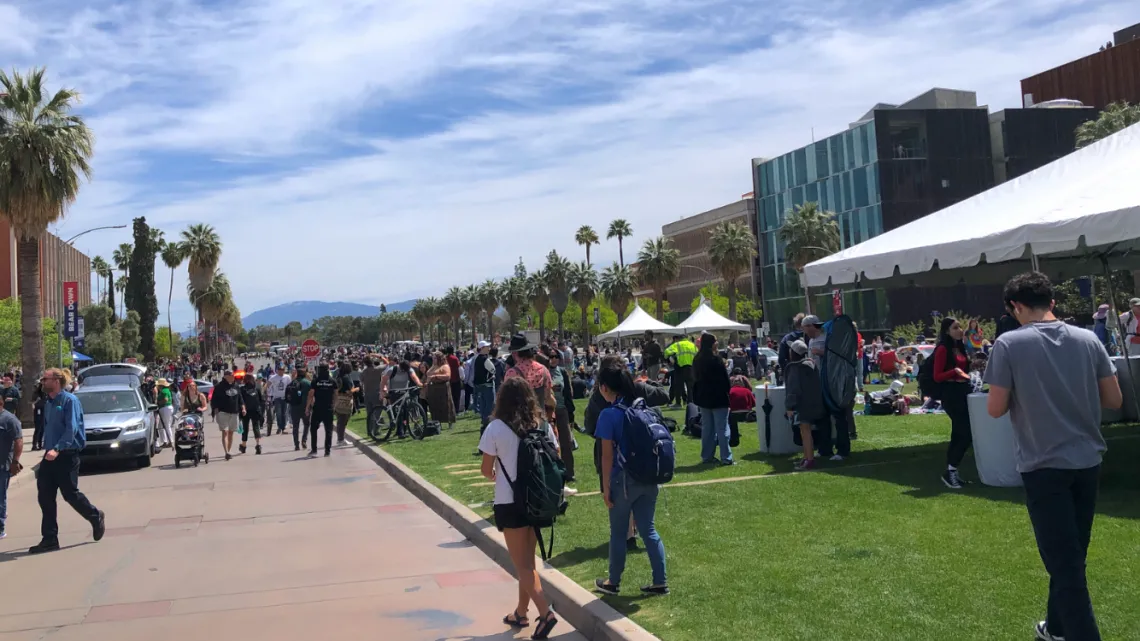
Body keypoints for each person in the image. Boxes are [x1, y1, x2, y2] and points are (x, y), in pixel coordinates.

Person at [984, 271, 1122, 641]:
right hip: (1087, 461)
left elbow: (995, 409)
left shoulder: (1009, 344)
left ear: (1015, 307)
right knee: (1071, 558)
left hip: (1044, 465)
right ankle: (1056, 628)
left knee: (1066, 566)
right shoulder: (1089, 339)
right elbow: (1114, 400)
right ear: (1053, 302)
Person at [477, 377, 560, 640]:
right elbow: (554, 454)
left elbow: (485, 470)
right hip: (536, 499)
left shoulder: (496, 427)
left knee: (521, 565)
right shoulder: (542, 425)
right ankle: (521, 612)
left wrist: (496, 473)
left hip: (509, 501)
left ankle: (545, 613)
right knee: (528, 561)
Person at [592, 362, 669, 597]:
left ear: (605, 388)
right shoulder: (644, 409)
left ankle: (613, 582)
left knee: (618, 532)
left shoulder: (609, 415)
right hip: (649, 476)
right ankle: (660, 581)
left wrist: (605, 487)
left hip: (623, 480)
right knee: (649, 530)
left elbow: (606, 456)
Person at [30, 368, 105, 554]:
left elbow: (71, 430)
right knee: (45, 496)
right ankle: (49, 539)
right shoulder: (48, 402)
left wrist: (58, 448)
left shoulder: (70, 401)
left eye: (45, 379)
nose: (42, 382)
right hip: (50, 455)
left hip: (66, 454)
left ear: (56, 380)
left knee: (70, 494)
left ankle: (95, 516)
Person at [801, 314, 851, 461]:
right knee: (822, 416)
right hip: (818, 381)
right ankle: (825, 449)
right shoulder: (811, 341)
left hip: (832, 381)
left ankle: (842, 451)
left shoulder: (827, 338)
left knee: (838, 415)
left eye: (805, 328)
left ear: (811, 326)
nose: (805, 331)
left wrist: (821, 353)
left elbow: (837, 356)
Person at [932, 317, 974, 489]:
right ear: (947, 331)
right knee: (964, 432)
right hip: (951, 394)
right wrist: (954, 371)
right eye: (955, 327)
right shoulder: (943, 349)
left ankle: (951, 470)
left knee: (960, 433)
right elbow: (937, 376)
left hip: (963, 391)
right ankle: (951, 470)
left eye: (960, 327)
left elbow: (965, 370)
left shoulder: (960, 347)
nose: (959, 330)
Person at [692, 332, 734, 465]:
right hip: (718, 398)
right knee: (722, 429)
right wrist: (728, 391)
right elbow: (725, 380)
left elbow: (695, 379)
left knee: (707, 429)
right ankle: (726, 457)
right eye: (715, 341)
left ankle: (707, 456)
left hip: (703, 398)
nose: (717, 343)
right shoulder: (716, 360)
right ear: (711, 343)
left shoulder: (697, 359)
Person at [784, 340, 825, 470]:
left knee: (805, 432)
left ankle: (809, 459)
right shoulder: (811, 365)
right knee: (806, 431)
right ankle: (806, 458)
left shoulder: (795, 368)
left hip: (802, 404)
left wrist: (790, 406)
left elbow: (793, 389)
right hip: (813, 402)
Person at [545, 348, 577, 486]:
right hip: (547, 412)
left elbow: (568, 393)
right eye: (551, 356)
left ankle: (569, 472)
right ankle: (552, 473)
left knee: (566, 442)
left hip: (561, 409)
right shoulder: (543, 371)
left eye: (556, 356)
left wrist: (571, 412)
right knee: (549, 443)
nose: (553, 359)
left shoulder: (562, 372)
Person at [0, 400, 24, 540]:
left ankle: (1, 528)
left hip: (3, 465)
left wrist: (15, 461)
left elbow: (19, 440)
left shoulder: (9, 419)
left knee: (0, 497)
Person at [210, 370, 245, 461]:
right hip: (223, 412)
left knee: (231, 432)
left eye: (233, 375)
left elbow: (240, 398)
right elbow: (214, 400)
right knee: (225, 432)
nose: (233, 377)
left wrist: (243, 408)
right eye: (231, 375)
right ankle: (226, 452)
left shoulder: (236, 386)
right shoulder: (219, 387)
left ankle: (228, 450)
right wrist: (216, 410)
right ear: (225, 376)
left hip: (234, 412)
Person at [307, 363, 337, 457]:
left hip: (317, 408)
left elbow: (311, 394)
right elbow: (336, 394)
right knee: (329, 430)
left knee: (313, 429)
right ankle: (327, 451)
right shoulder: (332, 381)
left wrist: (308, 406)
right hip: (328, 408)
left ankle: (314, 450)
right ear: (328, 369)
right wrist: (334, 406)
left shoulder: (316, 381)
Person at [663, 334, 697, 406]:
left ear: (679, 338)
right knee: (690, 386)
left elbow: (666, 352)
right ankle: (691, 403)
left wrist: (668, 357)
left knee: (678, 385)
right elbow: (697, 354)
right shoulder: (692, 345)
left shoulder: (677, 344)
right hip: (691, 367)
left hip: (680, 367)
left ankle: (678, 403)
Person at [472, 342, 497, 435]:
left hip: (479, 386)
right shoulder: (485, 359)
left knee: (483, 405)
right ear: (482, 348)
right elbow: (493, 369)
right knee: (489, 405)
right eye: (487, 346)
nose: (489, 348)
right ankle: (488, 423)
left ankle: (484, 422)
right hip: (487, 385)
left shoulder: (476, 358)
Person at [425, 352, 456, 429]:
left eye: (435, 358)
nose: (433, 359)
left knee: (446, 405)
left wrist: (436, 376)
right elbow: (428, 374)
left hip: (443, 388)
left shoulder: (445, 366)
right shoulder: (433, 366)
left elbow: (448, 376)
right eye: (433, 358)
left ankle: (449, 422)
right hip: (433, 388)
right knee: (435, 406)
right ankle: (437, 422)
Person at [238, 373, 265, 455]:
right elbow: (261, 401)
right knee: (256, 427)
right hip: (255, 410)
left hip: (245, 411)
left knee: (245, 428)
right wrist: (261, 411)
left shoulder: (242, 389)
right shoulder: (256, 389)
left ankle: (244, 445)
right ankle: (258, 445)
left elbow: (240, 401)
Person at [334, 361, 358, 446]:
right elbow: (349, 391)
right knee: (343, 421)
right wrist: (356, 389)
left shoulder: (338, 377)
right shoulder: (346, 378)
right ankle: (341, 440)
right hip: (345, 401)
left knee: (340, 421)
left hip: (338, 401)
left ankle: (340, 438)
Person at [287, 368, 311, 451]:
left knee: (295, 427)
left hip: (294, 408)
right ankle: (304, 440)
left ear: (297, 373)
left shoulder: (292, 383)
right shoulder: (307, 383)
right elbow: (312, 394)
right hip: (305, 407)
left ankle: (296, 444)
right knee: (307, 424)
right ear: (304, 374)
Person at [776, 313, 806, 378]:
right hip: (808, 371)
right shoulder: (811, 337)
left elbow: (781, 359)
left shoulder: (787, 338)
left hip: (791, 372)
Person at [267, 366, 291, 435]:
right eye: (280, 369)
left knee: (284, 413)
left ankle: (283, 428)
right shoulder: (273, 377)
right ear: (277, 370)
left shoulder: (287, 377)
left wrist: (289, 395)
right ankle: (279, 427)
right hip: (277, 398)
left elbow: (290, 386)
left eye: (282, 369)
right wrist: (267, 392)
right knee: (278, 413)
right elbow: (268, 384)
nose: (281, 371)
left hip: (285, 398)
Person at [155, 378, 175, 449]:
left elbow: (166, 400)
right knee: (162, 425)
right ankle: (165, 441)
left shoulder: (164, 391)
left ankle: (170, 441)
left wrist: (159, 402)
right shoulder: (166, 390)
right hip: (167, 408)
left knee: (166, 425)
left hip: (165, 408)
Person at [445, 346, 463, 416]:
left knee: (450, 396)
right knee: (456, 396)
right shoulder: (455, 358)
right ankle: (456, 411)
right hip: (455, 379)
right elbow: (459, 369)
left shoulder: (445, 359)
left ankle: (450, 410)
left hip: (448, 380)